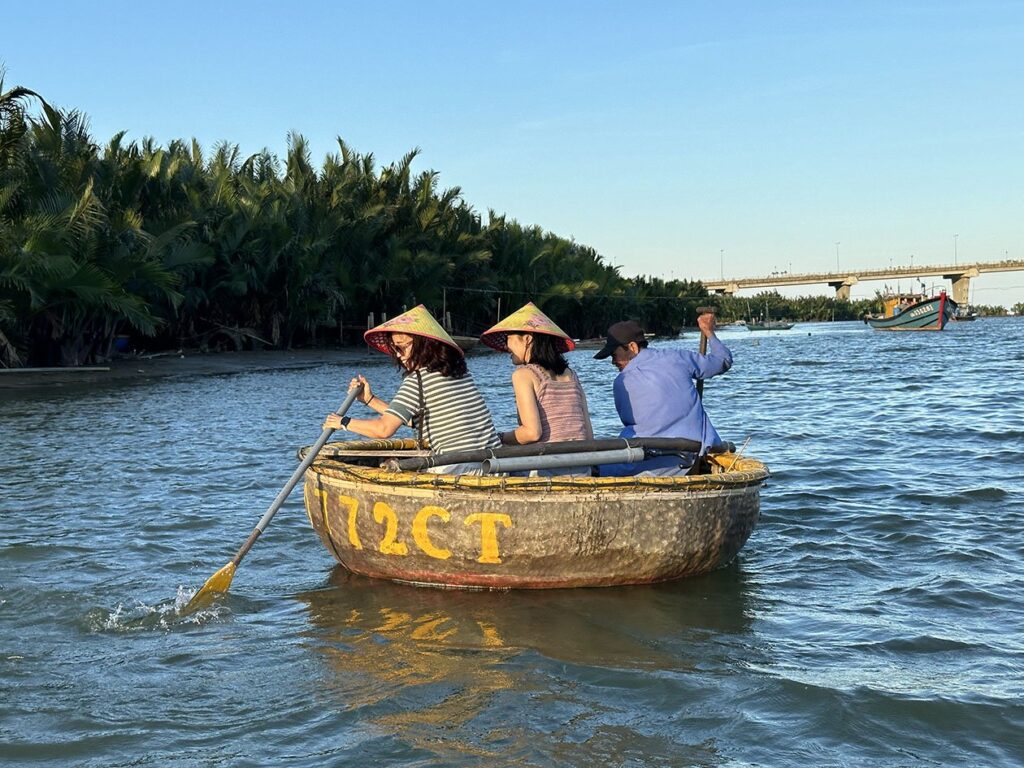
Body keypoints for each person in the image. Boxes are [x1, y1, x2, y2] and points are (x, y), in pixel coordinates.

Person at [323, 305, 499, 474]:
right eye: (395, 349)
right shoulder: (459, 374)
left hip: (458, 469)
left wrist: (342, 422)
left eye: (401, 347)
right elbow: (420, 420)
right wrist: (369, 400)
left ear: (424, 346)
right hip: (493, 466)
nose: (399, 355)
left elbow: (383, 430)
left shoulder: (418, 381)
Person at [593, 313, 731, 476]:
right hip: (693, 452)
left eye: (614, 355)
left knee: (596, 467)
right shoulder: (677, 357)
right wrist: (708, 331)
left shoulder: (621, 382)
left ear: (632, 347)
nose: (613, 361)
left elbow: (628, 421)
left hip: (649, 461)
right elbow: (722, 360)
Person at [480, 303, 593, 474]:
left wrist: (499, 438)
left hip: (547, 469)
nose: (506, 346)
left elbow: (532, 433)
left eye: (508, 338)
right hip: (582, 467)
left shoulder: (524, 374)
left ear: (527, 338)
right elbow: (589, 434)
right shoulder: (572, 375)